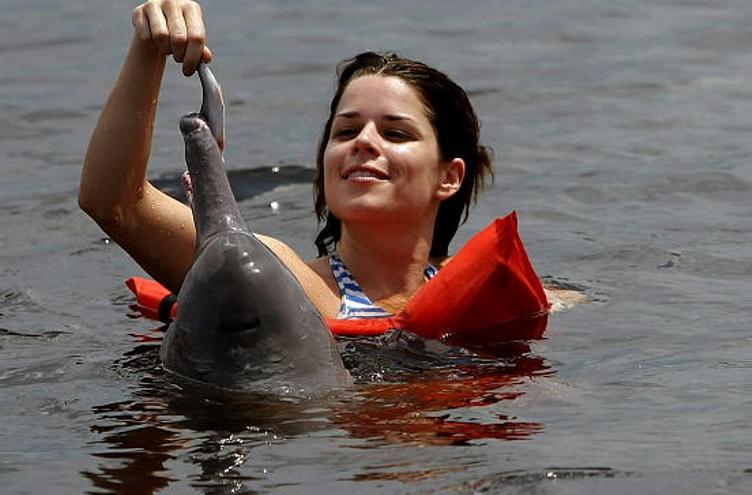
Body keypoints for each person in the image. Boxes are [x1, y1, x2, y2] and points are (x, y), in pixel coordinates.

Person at [80, 0, 509, 322]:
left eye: (395, 133)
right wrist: (147, 50)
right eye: (345, 131)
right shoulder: (275, 279)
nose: (363, 142)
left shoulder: (481, 292)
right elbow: (115, 202)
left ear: (449, 177)